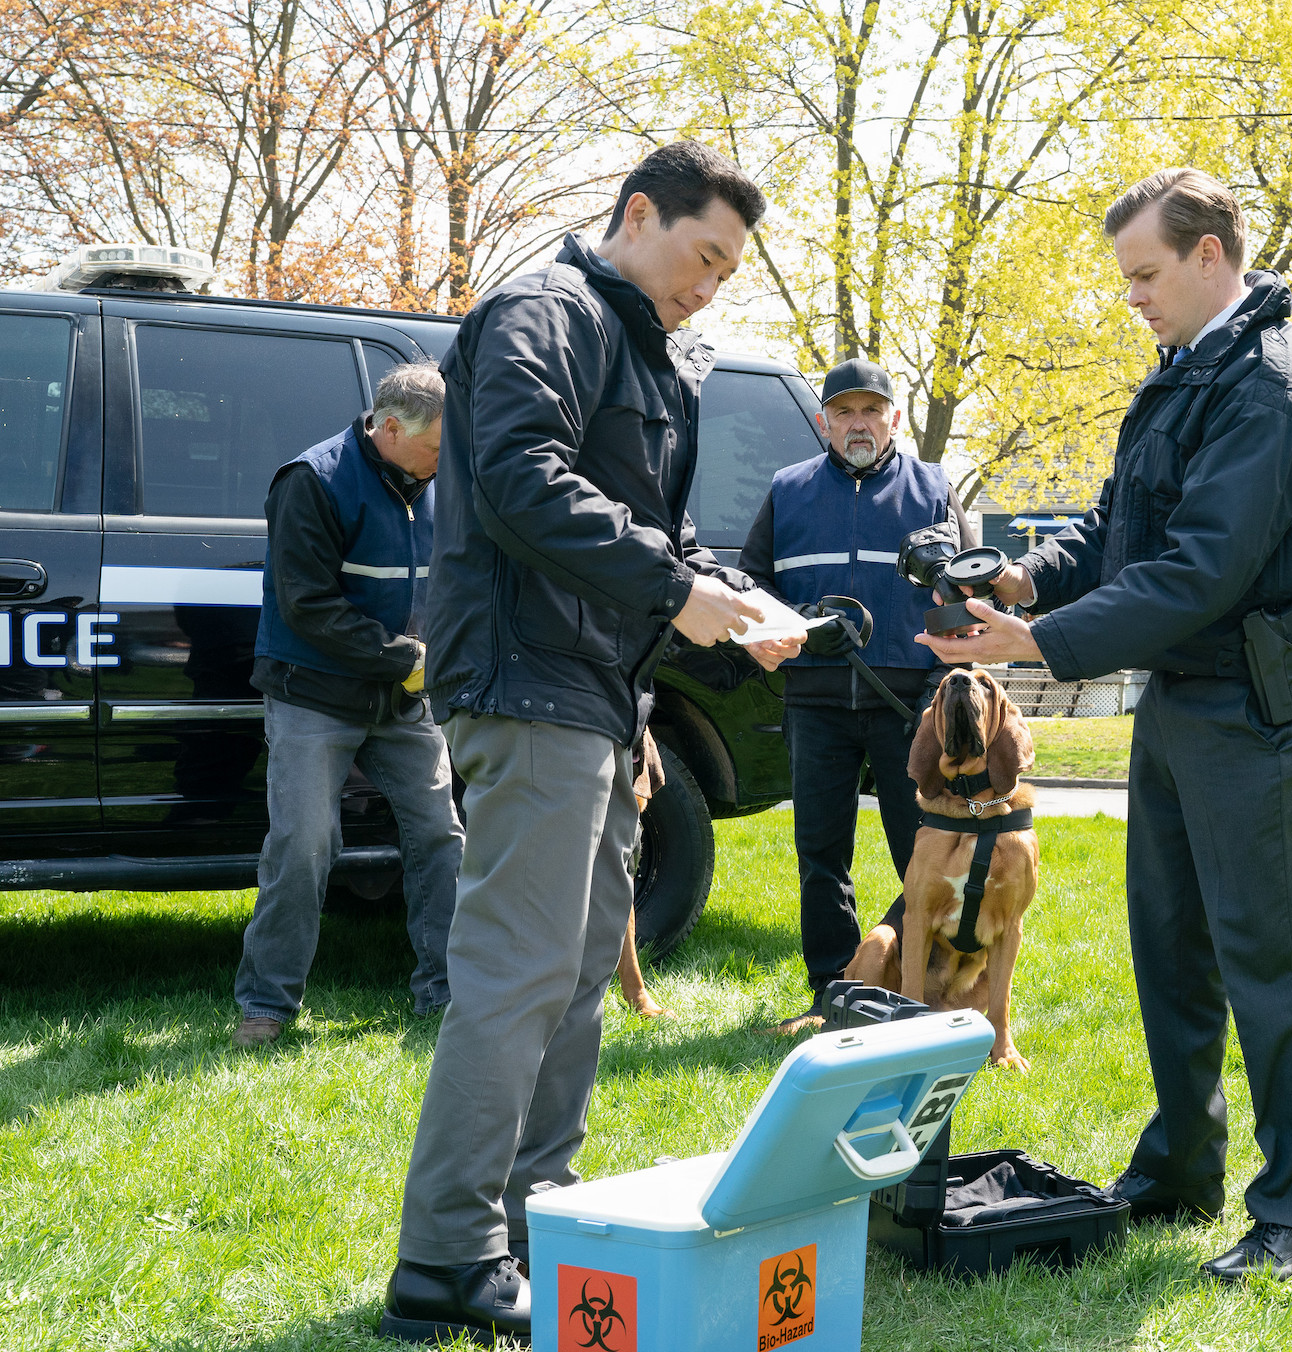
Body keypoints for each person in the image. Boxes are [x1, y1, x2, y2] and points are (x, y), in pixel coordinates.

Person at [918, 168, 1292, 1284]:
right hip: (1183, 698)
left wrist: (1034, 645)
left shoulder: (1272, 388)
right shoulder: (1188, 374)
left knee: (1266, 954)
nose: (1132, 295)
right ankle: (1181, 1167)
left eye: (1145, 273)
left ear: (1211, 254)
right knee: (1172, 949)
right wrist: (1028, 577)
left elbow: (1201, 569)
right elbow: (1123, 523)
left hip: (1254, 708)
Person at [380, 141, 800, 1346]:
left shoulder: (643, 347)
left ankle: (532, 1215)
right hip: (526, 683)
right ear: (636, 214)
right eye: (703, 255)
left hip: (604, 698)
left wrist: (734, 596)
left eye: (729, 271)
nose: (712, 285)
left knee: (574, 976)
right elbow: (522, 481)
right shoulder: (541, 311)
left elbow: (643, 528)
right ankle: (446, 1256)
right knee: (516, 975)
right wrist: (679, 590)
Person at [739, 357, 976, 1031]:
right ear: (824, 423)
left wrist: (939, 694)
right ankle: (833, 993)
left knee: (922, 856)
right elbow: (751, 583)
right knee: (820, 853)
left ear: (894, 418)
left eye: (872, 410)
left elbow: (964, 602)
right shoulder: (788, 490)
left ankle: (924, 989)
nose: (858, 424)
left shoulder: (932, 488)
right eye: (844, 412)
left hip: (911, 706)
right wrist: (774, 634)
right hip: (815, 702)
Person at [232, 363, 461, 1050]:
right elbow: (307, 606)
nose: (445, 462)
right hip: (314, 692)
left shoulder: (439, 479)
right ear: (389, 429)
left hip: (402, 701)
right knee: (304, 845)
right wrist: (409, 658)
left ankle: (448, 994)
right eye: (435, 448)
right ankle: (266, 1006)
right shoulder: (312, 481)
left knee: (442, 837)